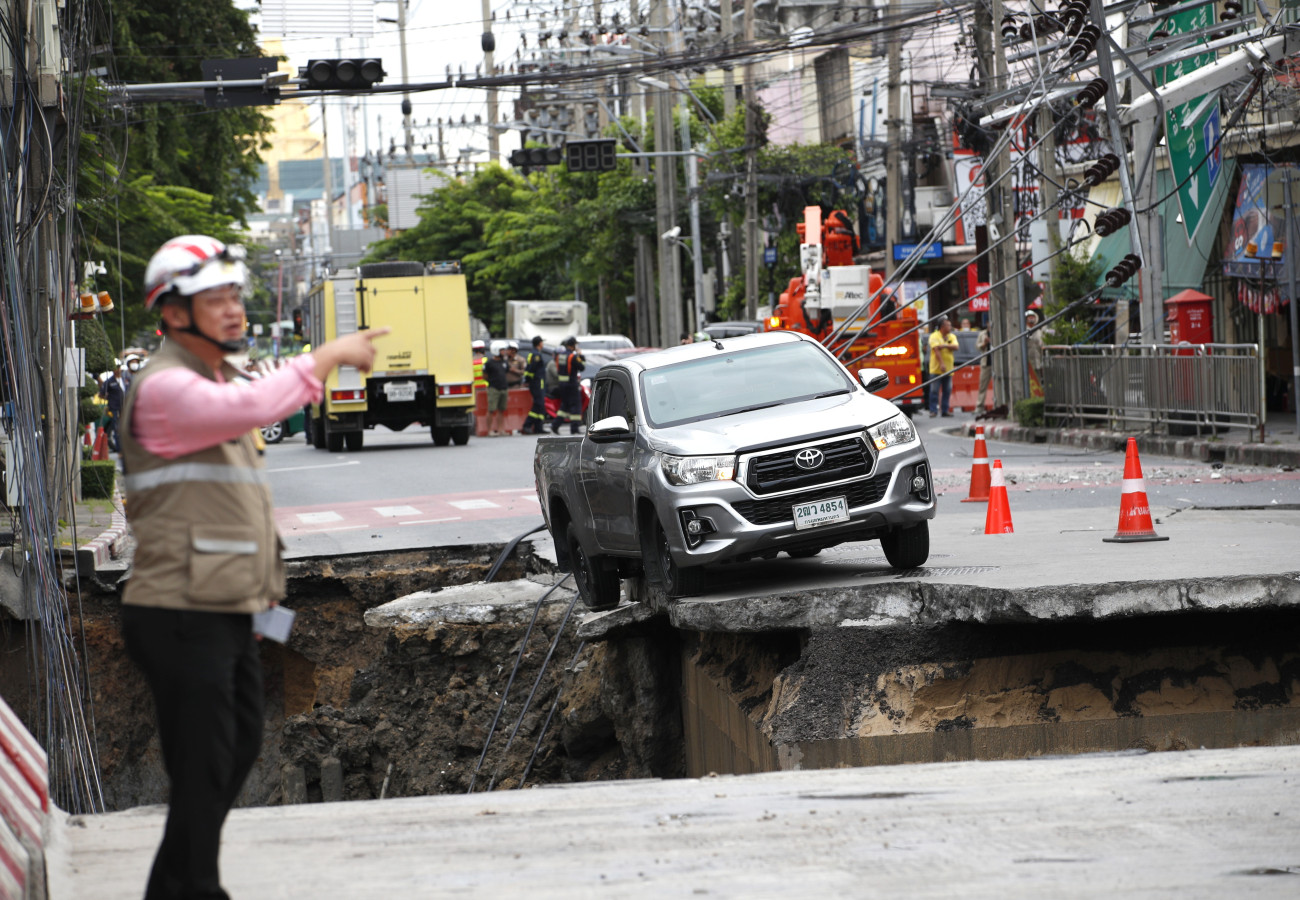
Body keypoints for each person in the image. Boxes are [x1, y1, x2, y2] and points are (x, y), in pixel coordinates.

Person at [119, 234, 388, 900]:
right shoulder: (166, 387)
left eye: (235, 294)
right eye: (215, 298)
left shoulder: (213, 379)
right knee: (205, 763)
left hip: (226, 606)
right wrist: (328, 355)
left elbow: (233, 492)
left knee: (233, 750)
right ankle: (196, 888)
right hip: (178, 609)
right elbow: (255, 405)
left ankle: (175, 888)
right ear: (174, 313)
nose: (234, 309)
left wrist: (264, 598)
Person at [551, 335, 585, 434]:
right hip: (572, 384)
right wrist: (581, 356)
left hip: (562, 385)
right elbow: (582, 367)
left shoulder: (560, 356)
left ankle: (555, 425)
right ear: (573, 345)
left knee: (565, 406)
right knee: (576, 406)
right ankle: (574, 429)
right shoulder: (573, 356)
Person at [928, 316, 959, 417]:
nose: (950, 327)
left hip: (949, 369)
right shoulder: (934, 336)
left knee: (947, 390)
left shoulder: (951, 336)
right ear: (942, 327)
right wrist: (941, 363)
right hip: (936, 369)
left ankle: (945, 410)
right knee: (934, 391)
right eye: (948, 325)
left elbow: (956, 346)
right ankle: (933, 410)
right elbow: (936, 349)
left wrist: (944, 346)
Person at [482, 342, 511, 436]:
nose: (504, 352)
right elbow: (484, 376)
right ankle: (489, 430)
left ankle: (501, 430)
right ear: (496, 351)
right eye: (502, 350)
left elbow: (506, 372)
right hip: (493, 388)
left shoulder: (504, 362)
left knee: (501, 410)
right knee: (491, 409)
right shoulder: (489, 363)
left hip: (504, 388)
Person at [522, 336, 547, 434]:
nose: (543, 344)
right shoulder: (536, 355)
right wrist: (529, 380)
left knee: (541, 405)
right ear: (539, 343)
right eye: (542, 342)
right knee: (538, 404)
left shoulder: (533, 353)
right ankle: (527, 425)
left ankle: (538, 427)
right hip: (537, 383)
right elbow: (532, 369)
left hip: (537, 383)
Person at [99, 360, 125, 452]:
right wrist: (110, 399)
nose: (117, 369)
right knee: (117, 429)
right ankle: (119, 449)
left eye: (118, 367)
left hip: (125, 408)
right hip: (115, 408)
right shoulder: (109, 382)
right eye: (115, 368)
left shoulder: (125, 379)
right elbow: (101, 394)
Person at [1025, 309, 1045, 397]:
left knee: (1039, 380)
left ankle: (1038, 397)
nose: (1031, 319)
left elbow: (1042, 345)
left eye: (1032, 317)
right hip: (1028, 362)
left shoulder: (1038, 331)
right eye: (1029, 317)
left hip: (1038, 360)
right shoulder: (1024, 331)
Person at [976, 323, 993, 411]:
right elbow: (978, 346)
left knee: (1000, 383)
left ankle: (1000, 404)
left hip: (998, 363)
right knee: (982, 385)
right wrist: (985, 343)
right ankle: (979, 406)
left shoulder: (998, 332)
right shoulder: (982, 334)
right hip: (986, 363)